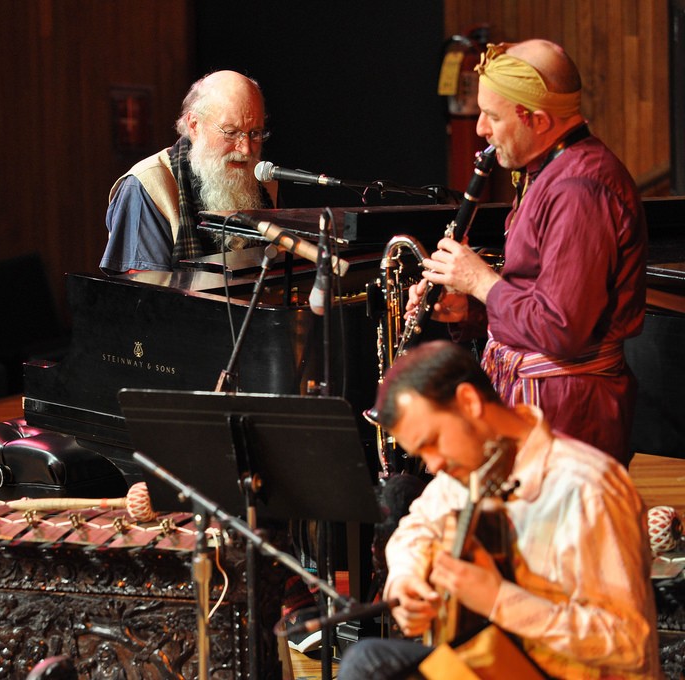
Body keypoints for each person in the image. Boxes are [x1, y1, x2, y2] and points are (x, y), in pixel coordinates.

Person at [336, 340, 662, 680]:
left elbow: (628, 644)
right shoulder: (473, 466)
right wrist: (407, 580)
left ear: (469, 401)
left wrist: (497, 600)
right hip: (496, 662)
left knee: (366, 664)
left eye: (433, 440)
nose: (433, 463)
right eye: (421, 451)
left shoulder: (586, 488)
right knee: (370, 660)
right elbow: (416, 528)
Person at [407, 39, 647, 466]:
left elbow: (561, 329)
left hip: (566, 416)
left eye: (493, 116)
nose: (481, 128)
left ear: (536, 119)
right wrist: (470, 307)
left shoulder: (579, 192)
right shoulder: (547, 172)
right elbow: (536, 299)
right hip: (542, 404)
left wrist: (481, 281)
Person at [100, 70, 278, 274]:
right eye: (231, 133)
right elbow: (144, 298)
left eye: (254, 133)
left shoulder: (265, 184)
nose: (246, 149)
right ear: (195, 126)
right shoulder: (146, 186)